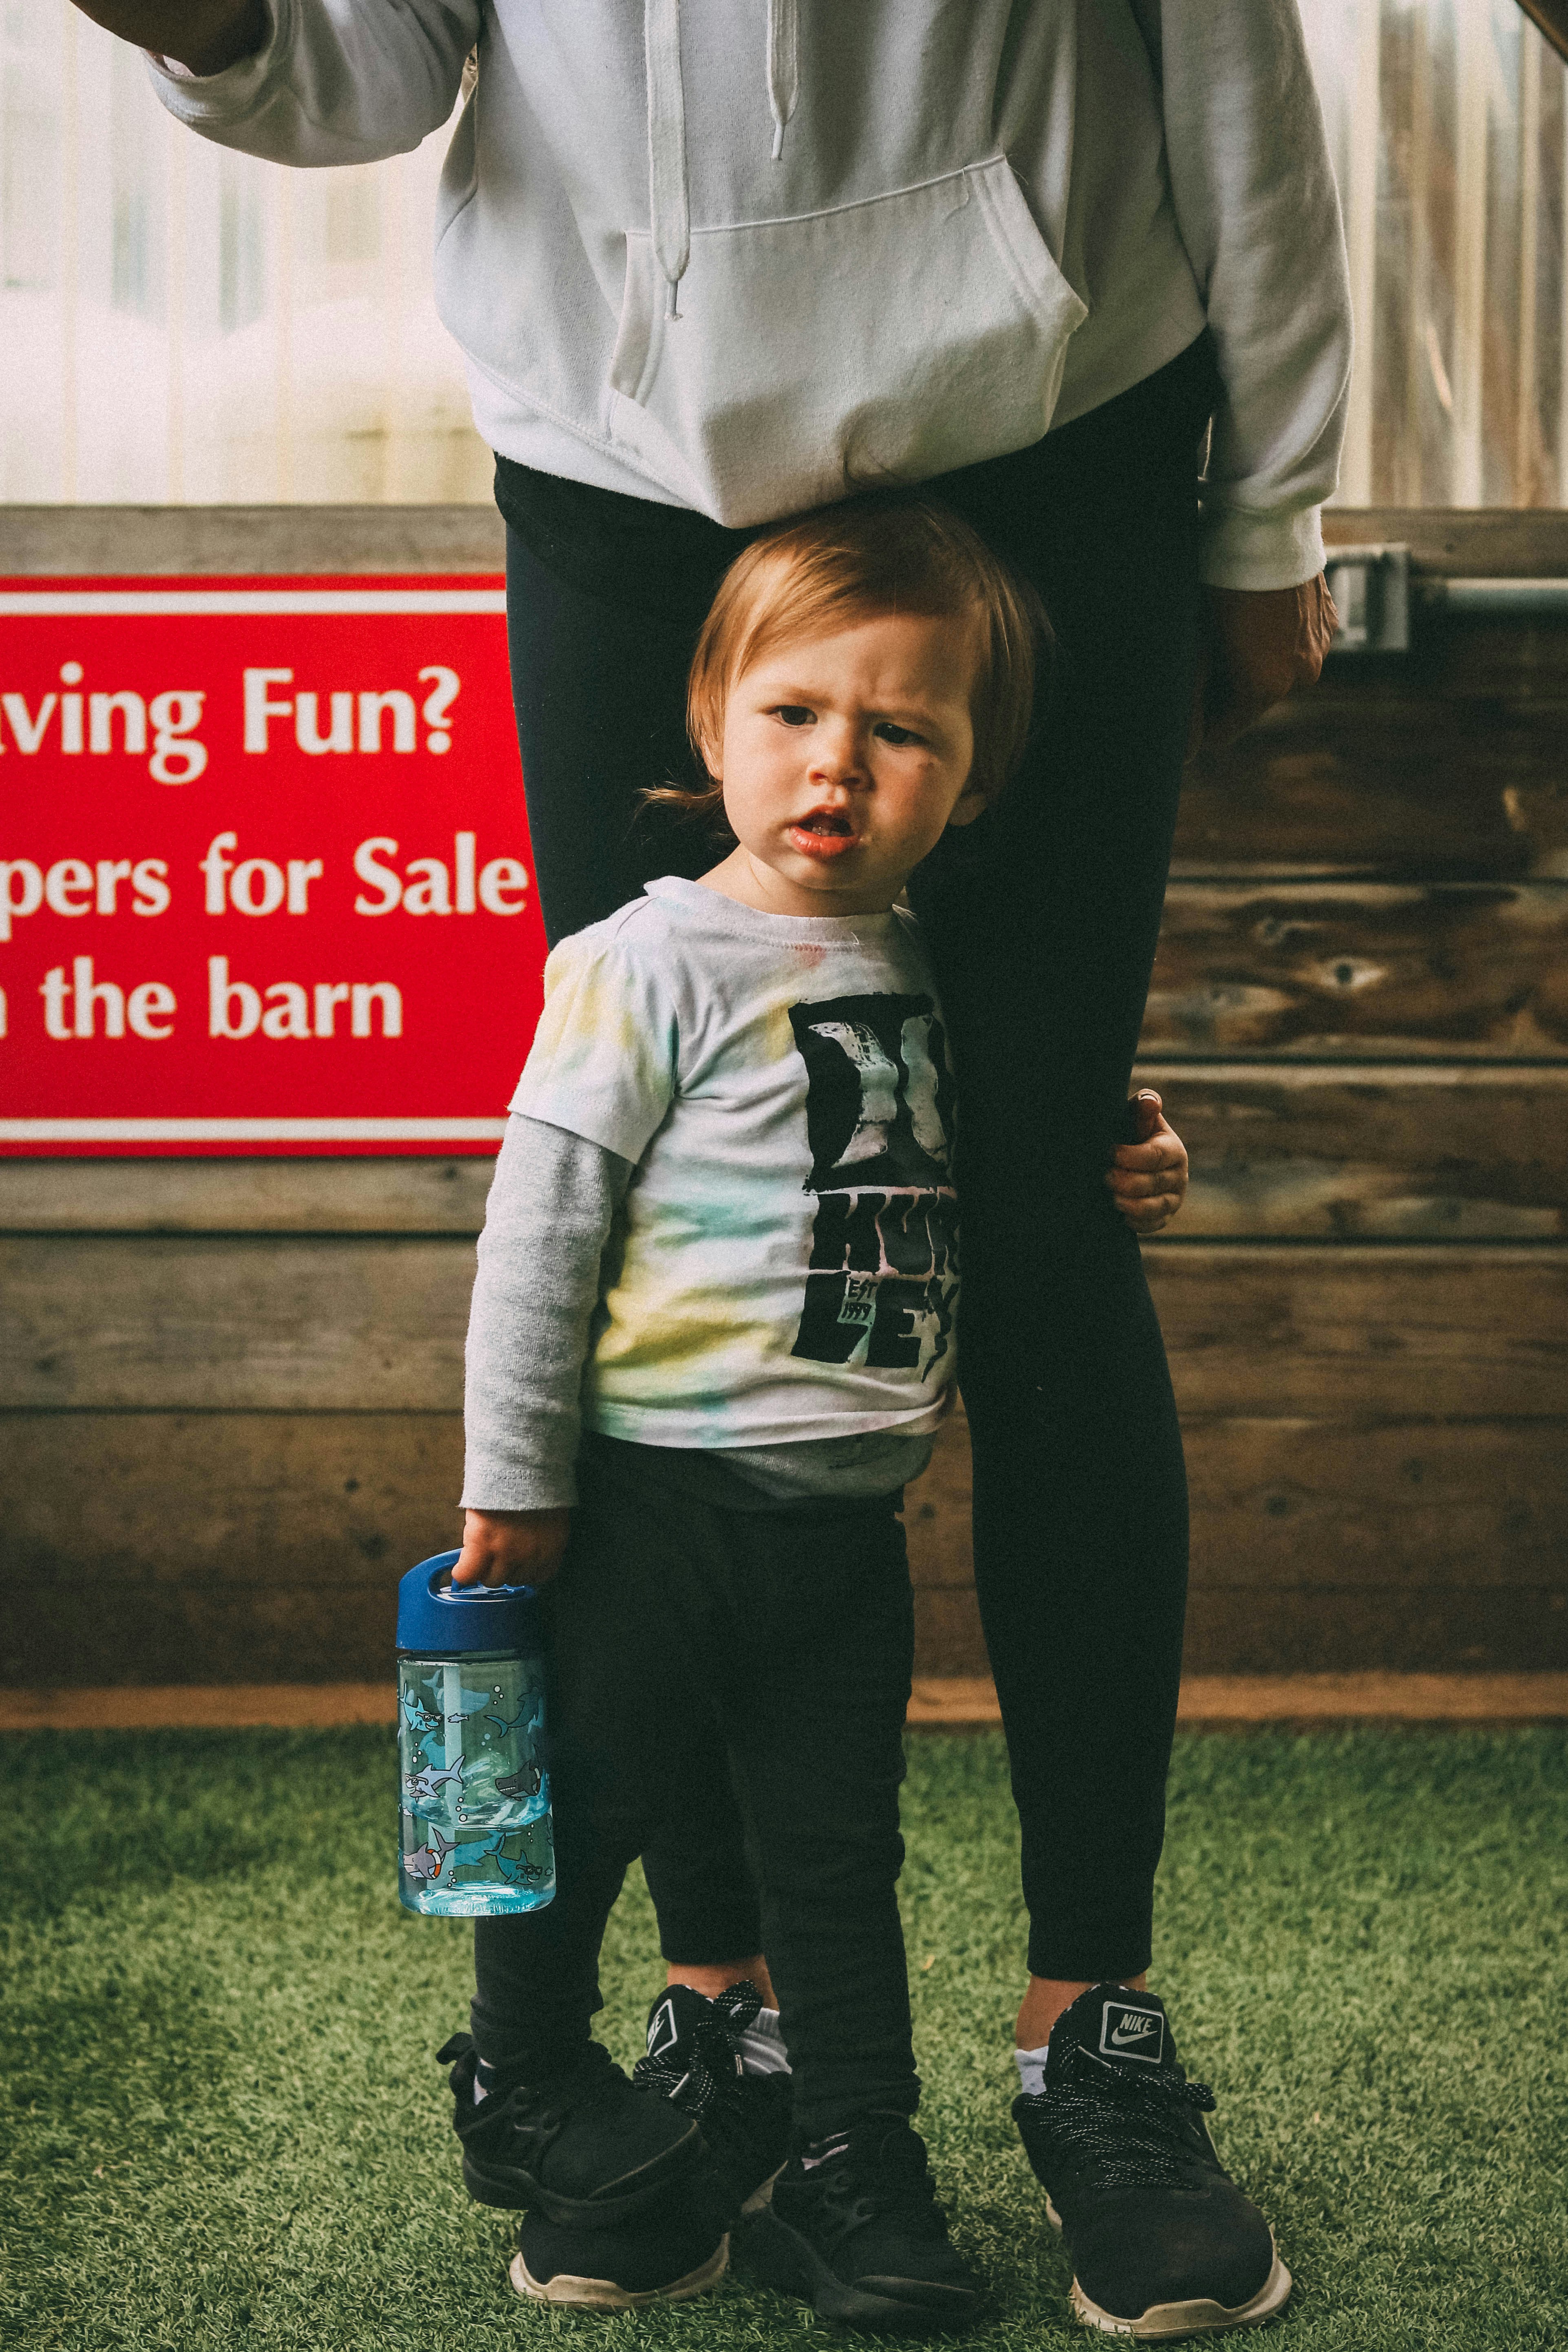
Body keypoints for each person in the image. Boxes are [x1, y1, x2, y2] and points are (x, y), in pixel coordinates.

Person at [87, 1, 1351, 2334]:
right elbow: (368, 63)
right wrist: (216, 29)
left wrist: (1273, 499)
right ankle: (729, 2014)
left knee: (1050, 1227)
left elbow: (1230, 65)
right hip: (618, 465)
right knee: (677, 1225)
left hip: (1051, 428)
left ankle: (1095, 2025)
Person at [442, 500, 1238, 2332]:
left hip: (836, 1530)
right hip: (649, 1507)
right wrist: (517, 1479)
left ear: (968, 787)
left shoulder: (929, 971)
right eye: (796, 712)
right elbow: (539, 1232)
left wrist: (1139, 1147)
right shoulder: (639, 963)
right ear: (712, 717)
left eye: (901, 733)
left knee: (836, 1854)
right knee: (585, 1796)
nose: (838, 764)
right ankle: (523, 2070)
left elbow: (1001, 1138)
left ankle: (856, 2163)